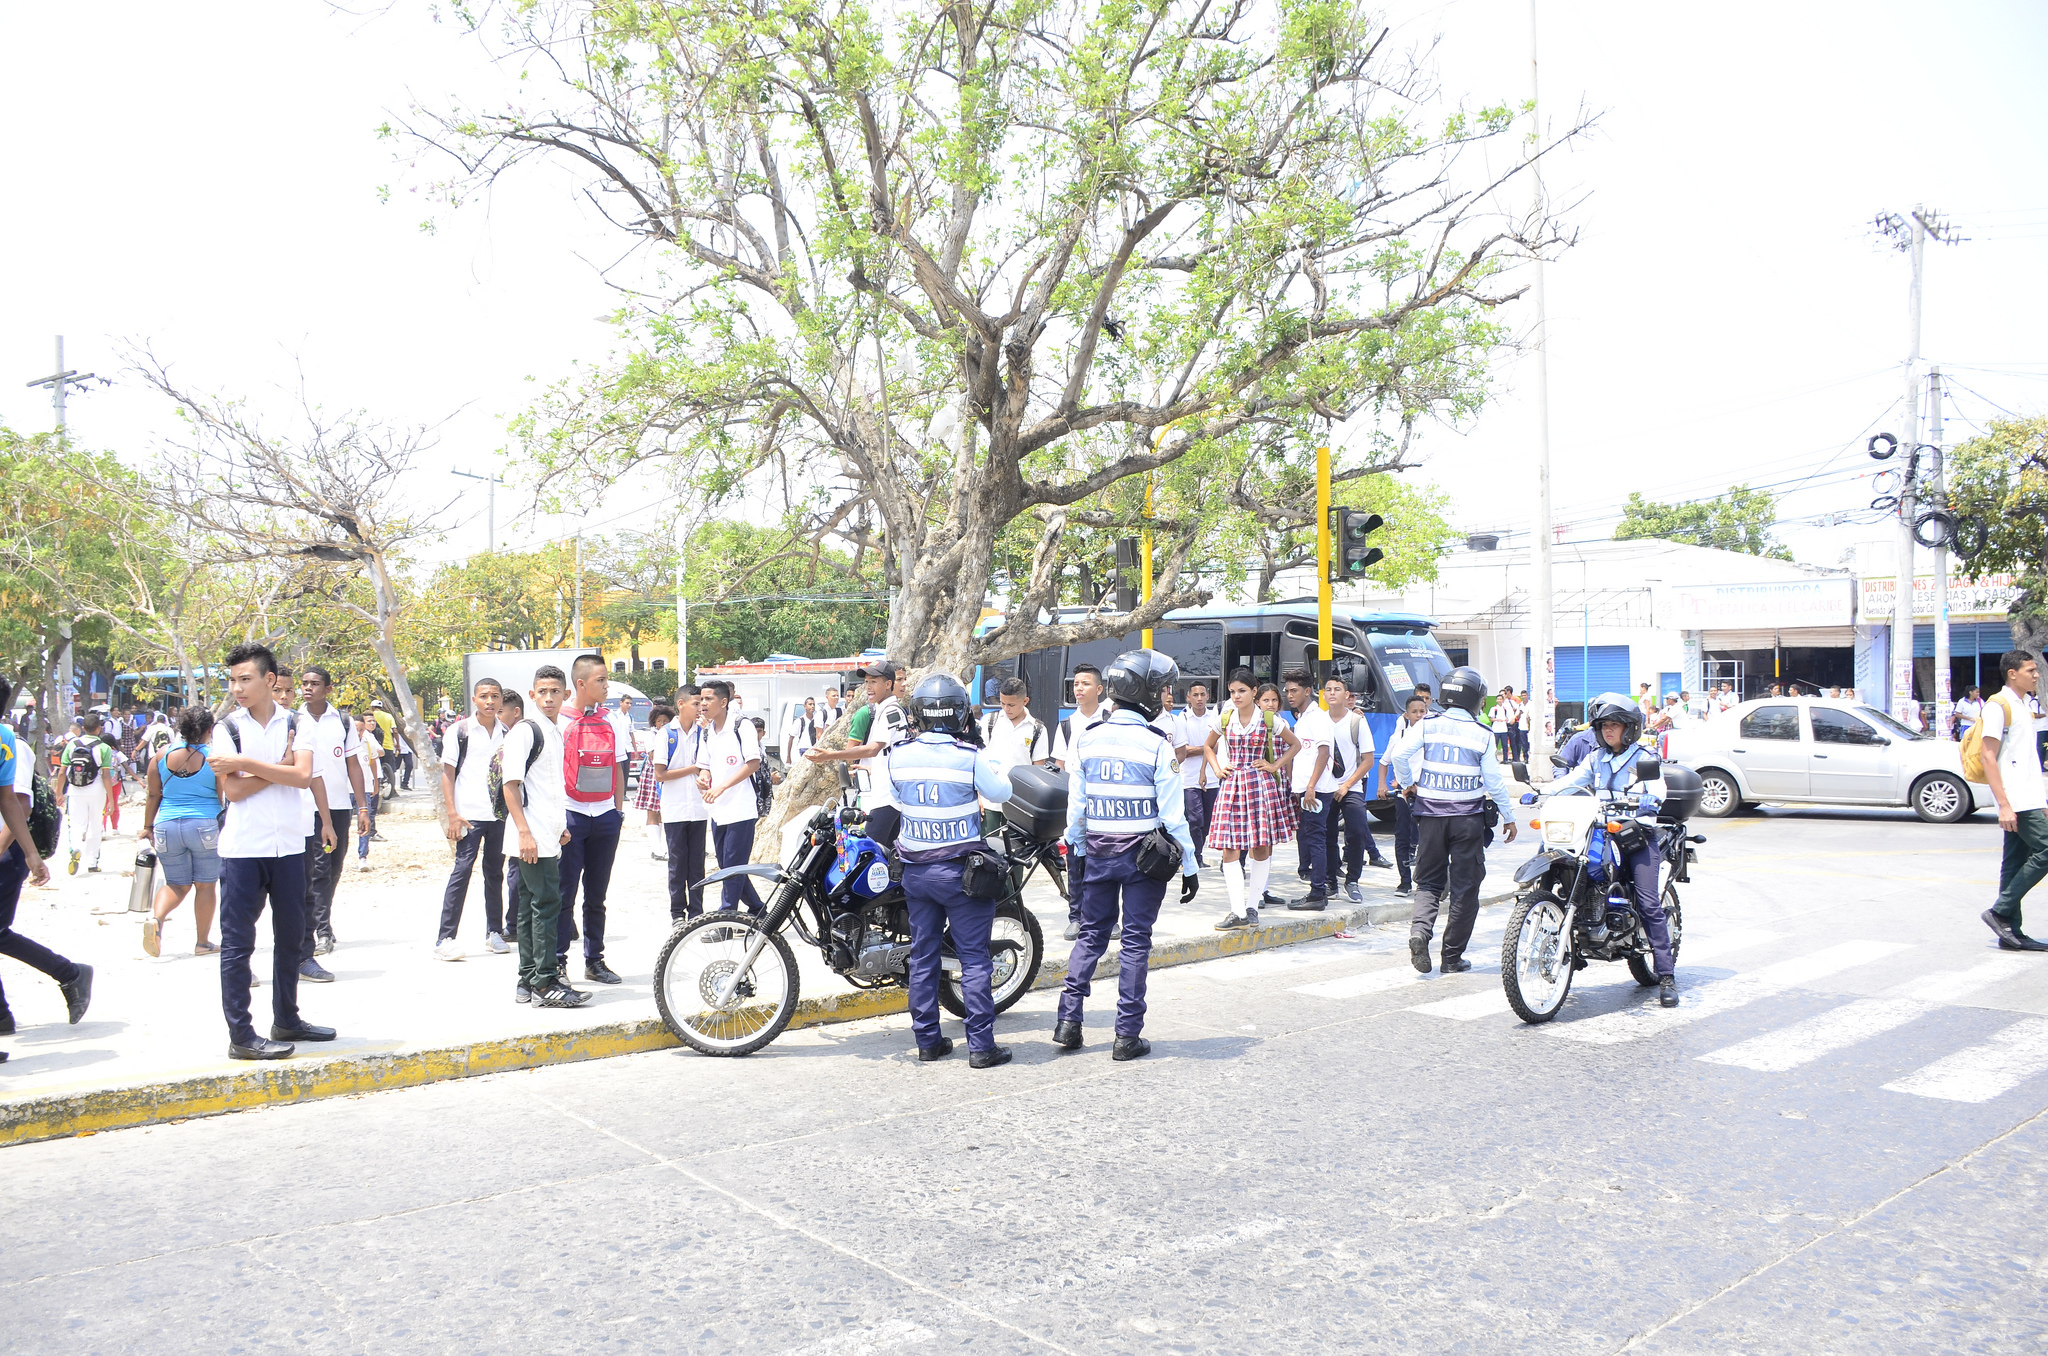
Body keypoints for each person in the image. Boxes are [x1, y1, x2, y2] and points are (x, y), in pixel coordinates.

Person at [1054, 650, 1200, 1061]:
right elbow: (1173, 817)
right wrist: (1189, 866)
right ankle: (1126, 1036)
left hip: (1097, 852)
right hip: (1143, 860)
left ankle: (1068, 1023)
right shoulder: (1158, 744)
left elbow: (1076, 810)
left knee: (1090, 935)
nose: (1166, 695)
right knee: (1135, 943)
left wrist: (1076, 852)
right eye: (1163, 688)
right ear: (1148, 693)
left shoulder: (1086, 739)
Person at [208, 643, 334, 1060]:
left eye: (245, 679)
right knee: (238, 944)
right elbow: (235, 790)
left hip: (290, 847)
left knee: (292, 939)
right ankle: (241, 1035)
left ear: (269, 680)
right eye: (233, 681)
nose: (237, 688)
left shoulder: (298, 722)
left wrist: (250, 764)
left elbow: (301, 777)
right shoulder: (227, 728)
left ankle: (287, 1019)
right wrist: (273, 766)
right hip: (244, 849)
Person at [888, 673, 1017, 1068]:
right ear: (960, 714)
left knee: (924, 956)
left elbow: (896, 800)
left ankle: (928, 1042)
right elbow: (1001, 794)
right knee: (974, 960)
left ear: (919, 715)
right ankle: (981, 1047)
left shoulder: (898, 754)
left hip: (916, 873)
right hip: (962, 875)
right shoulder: (970, 756)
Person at [1549, 695, 1678, 1006]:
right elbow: (1569, 783)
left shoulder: (1642, 758)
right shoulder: (1595, 758)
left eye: (1614, 725)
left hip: (1636, 836)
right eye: (1604, 725)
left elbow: (1658, 787)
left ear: (1629, 729)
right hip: (1600, 832)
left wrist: (1651, 800)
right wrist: (1538, 790)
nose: (1608, 731)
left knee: (1648, 903)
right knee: (1568, 870)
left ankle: (1667, 976)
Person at [1389, 665, 1518, 976]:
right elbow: (1494, 782)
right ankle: (1452, 957)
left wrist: (1407, 784)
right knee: (1464, 888)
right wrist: (1509, 817)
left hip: (1430, 817)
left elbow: (1398, 756)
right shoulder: (1483, 735)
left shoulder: (1427, 725)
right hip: (1467, 820)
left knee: (1429, 882)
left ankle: (1419, 933)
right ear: (1476, 699)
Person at [501, 668, 587, 1007]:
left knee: (530, 906)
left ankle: (528, 976)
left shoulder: (554, 732)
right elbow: (511, 785)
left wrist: (560, 825)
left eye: (555, 691)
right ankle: (545, 981)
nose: (549, 697)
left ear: (565, 695)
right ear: (532, 695)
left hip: (547, 833)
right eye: (542, 691)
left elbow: (550, 787)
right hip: (530, 835)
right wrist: (525, 832)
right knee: (547, 904)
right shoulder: (526, 732)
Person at [0, 674, 78, 1042]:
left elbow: (18, 805)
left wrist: (28, 854)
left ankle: (70, 973)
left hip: (6, 850)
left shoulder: (9, 744)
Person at [1206, 668, 1302, 930]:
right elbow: (1208, 745)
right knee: (1229, 848)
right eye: (1233, 692)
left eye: (1242, 691)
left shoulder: (1268, 719)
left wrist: (1274, 766)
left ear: (1254, 692)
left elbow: (1295, 744)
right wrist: (1216, 768)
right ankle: (1237, 911)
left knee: (1260, 847)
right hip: (1233, 783)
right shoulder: (1226, 718)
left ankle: (1252, 906)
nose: (1236, 696)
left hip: (1259, 785)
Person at [556, 654, 628, 985]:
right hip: (571, 815)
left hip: (604, 816)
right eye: (600, 680)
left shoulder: (611, 720)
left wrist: (617, 810)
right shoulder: (559, 720)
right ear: (581, 684)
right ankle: (557, 962)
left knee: (596, 895)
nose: (606, 685)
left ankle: (594, 960)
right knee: (564, 894)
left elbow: (617, 766)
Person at [1978, 652, 2048, 953]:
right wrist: (2004, 804)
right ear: (2012, 673)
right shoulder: (1998, 706)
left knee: (2014, 863)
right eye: (2031, 670)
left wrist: (2041, 798)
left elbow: (2028, 760)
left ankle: (2010, 932)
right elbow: (1987, 756)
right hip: (2015, 798)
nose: (2037, 675)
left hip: (2028, 796)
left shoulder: (2023, 705)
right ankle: (2000, 911)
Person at [140, 706, 223, 958]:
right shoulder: (214, 756)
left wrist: (147, 826)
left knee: (176, 884)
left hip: (166, 825)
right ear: (210, 729)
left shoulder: (161, 755)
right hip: (204, 824)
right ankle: (202, 942)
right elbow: (222, 794)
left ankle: (157, 919)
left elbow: (153, 793)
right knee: (205, 886)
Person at [298, 666, 368, 963]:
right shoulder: (293, 719)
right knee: (316, 870)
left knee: (333, 868)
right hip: (304, 807)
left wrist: (362, 806)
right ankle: (320, 930)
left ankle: (321, 922)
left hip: (339, 806)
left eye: (315, 684)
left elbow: (353, 764)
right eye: (304, 683)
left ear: (328, 689)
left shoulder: (342, 721)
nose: (307, 688)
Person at [436, 677, 509, 959]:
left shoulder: (508, 733)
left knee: (495, 873)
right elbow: (448, 773)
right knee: (462, 871)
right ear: (474, 700)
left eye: (495, 696)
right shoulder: (460, 731)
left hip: (498, 815)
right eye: (484, 696)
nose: (490, 701)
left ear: (502, 700)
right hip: (468, 817)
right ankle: (445, 938)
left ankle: (494, 932)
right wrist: (452, 814)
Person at [1323, 673, 1393, 901]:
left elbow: (1368, 760)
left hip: (1350, 787)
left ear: (1347, 695)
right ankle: (1330, 881)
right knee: (1326, 835)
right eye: (1328, 689)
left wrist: (1347, 785)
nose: (1332, 693)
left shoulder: (1356, 722)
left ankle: (1352, 880)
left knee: (1356, 830)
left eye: (1337, 689)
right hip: (1325, 787)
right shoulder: (1319, 722)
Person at [699, 679, 766, 914]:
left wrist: (722, 787)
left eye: (709, 699)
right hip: (718, 810)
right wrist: (704, 777)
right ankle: (758, 909)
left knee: (733, 866)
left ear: (724, 701)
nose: (703, 704)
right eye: (701, 699)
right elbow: (704, 765)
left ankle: (727, 915)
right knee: (728, 865)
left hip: (741, 808)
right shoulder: (707, 731)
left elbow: (753, 763)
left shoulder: (742, 725)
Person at [804, 662, 913, 808]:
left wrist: (829, 755)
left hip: (887, 798)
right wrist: (871, 769)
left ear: (888, 684)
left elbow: (873, 750)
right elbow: (878, 754)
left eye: (873, 682)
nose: (868, 687)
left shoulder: (891, 711)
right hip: (881, 793)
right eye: (867, 682)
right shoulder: (870, 712)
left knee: (874, 831)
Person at [1279, 668, 1339, 910]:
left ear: (1307, 691)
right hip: (1306, 789)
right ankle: (1317, 890)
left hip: (1317, 790)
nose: (1289, 695)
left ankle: (1317, 893)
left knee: (1315, 839)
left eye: (1294, 691)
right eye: (1287, 691)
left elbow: (1324, 752)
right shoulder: (1303, 718)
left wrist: (1311, 786)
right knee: (1311, 838)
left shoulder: (1318, 717)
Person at [651, 685, 711, 920]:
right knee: (677, 864)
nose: (700, 708)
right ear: (681, 704)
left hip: (698, 808)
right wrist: (693, 769)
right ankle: (677, 912)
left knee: (697, 864)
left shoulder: (704, 732)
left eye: (701, 704)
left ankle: (697, 911)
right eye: (696, 703)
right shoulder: (667, 733)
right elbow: (660, 774)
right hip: (675, 808)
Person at [979, 677, 1049, 837]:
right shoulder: (990, 722)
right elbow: (979, 761)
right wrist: (978, 797)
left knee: (1017, 856)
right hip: (990, 803)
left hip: (1019, 806)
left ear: (1025, 701)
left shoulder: (1037, 729)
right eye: (1002, 703)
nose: (1006, 709)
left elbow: (1038, 770)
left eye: (1011, 705)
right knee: (989, 854)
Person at [1378, 692, 1430, 896]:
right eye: (1414, 712)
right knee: (1402, 837)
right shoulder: (1400, 736)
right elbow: (1384, 762)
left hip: (1425, 793)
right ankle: (1404, 881)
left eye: (1422, 711)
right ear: (1406, 715)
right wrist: (1382, 784)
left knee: (1426, 838)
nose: (1419, 715)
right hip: (1404, 795)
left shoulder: (1430, 735)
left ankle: (1425, 881)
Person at [60, 713, 117, 875]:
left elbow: (62, 771)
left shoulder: (71, 745)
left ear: (83, 728)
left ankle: (76, 848)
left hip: (75, 790)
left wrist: (59, 793)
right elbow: (106, 775)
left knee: (76, 824)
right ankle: (92, 862)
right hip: (97, 790)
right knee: (95, 824)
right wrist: (111, 800)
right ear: (99, 729)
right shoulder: (104, 748)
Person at [1172, 682, 1220, 868]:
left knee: (1207, 820)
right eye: (1196, 695)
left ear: (1208, 696)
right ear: (1188, 698)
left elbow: (1216, 746)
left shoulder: (1213, 718)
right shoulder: (1182, 719)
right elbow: (1184, 750)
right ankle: (1193, 857)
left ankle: (1197, 852)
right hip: (1189, 779)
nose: (1199, 699)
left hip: (1212, 777)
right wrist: (1206, 748)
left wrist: (1202, 749)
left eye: (1202, 694)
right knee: (1194, 819)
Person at [636, 703, 673, 859]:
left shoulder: (672, 733)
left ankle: (664, 848)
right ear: (654, 722)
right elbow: (653, 756)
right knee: (653, 813)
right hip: (653, 775)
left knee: (666, 813)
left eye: (665, 720)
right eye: (659, 721)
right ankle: (656, 849)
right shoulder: (651, 735)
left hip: (669, 775)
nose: (662, 723)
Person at [784, 697, 821, 765]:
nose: (812, 706)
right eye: (810, 704)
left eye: (813, 704)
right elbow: (791, 738)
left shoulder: (817, 720)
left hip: (815, 748)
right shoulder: (800, 721)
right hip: (804, 748)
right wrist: (788, 756)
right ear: (805, 706)